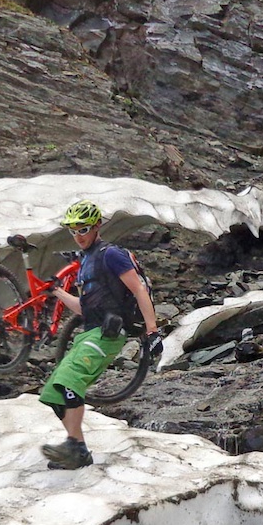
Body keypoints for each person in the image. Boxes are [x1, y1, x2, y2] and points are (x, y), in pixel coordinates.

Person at [38, 200, 163, 470]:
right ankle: (78, 449)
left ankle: (74, 446)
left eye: (83, 229)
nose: (78, 236)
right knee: (53, 391)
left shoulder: (110, 254)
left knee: (70, 378)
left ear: (96, 226)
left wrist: (152, 331)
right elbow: (84, 307)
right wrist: (57, 292)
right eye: (73, 231)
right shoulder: (86, 262)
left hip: (108, 333)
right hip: (89, 332)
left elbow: (139, 289)